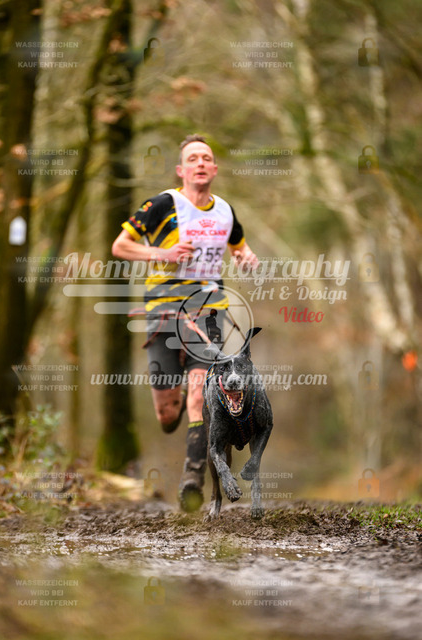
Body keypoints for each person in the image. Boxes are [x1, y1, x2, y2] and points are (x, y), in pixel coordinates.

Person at [112, 134, 258, 511]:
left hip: (207, 313)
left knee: (199, 394)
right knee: (167, 412)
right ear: (181, 170)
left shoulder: (224, 211)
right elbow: (120, 246)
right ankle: (171, 410)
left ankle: (192, 477)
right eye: (192, 158)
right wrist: (162, 253)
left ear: (215, 168)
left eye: (206, 158)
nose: (200, 163)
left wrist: (246, 257)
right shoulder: (162, 204)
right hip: (163, 313)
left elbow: (240, 245)